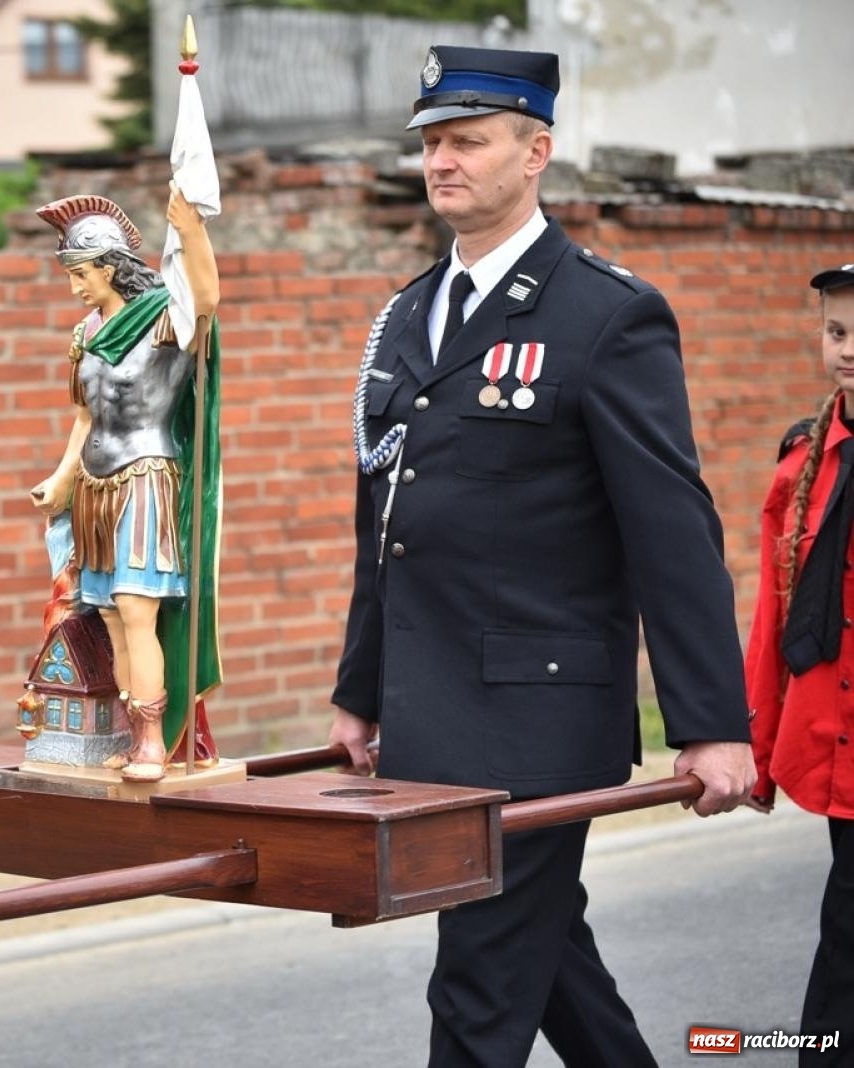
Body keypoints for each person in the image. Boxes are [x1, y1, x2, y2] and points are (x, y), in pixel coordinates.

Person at [329, 45, 755, 1066]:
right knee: (546, 956)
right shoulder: (408, 314)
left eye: (467, 141)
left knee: (478, 991)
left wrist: (712, 724)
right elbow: (387, 523)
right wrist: (363, 689)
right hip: (434, 716)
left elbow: (671, 532)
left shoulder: (605, 315)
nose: (442, 162)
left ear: (536, 153)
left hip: (536, 717)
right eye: (431, 143)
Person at [28, 190, 221, 782]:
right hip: (93, 482)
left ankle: (151, 742)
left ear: (111, 265)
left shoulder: (165, 317)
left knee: (138, 610)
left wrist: (192, 232)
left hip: (145, 474)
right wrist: (61, 478)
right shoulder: (86, 330)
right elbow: (85, 415)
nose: (75, 287)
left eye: (81, 273)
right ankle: (124, 729)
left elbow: (207, 301)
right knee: (108, 613)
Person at [743, 264, 854, 1063]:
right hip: (837, 741)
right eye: (838, 331)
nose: (847, 349)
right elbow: (772, 620)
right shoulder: (801, 467)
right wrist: (754, 752)